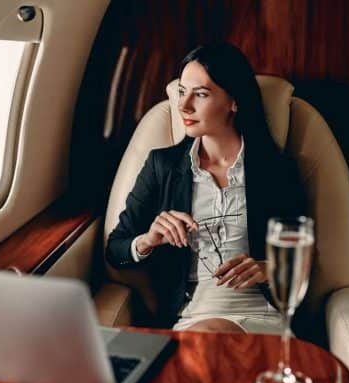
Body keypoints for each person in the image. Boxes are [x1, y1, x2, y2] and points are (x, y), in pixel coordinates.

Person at [105, 43, 307, 334]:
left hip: (266, 317)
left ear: (234, 102)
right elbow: (115, 249)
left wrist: (268, 268)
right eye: (181, 92)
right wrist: (148, 239)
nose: (184, 106)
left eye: (200, 94)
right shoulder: (162, 165)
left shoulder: (277, 169)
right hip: (191, 316)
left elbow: (302, 256)